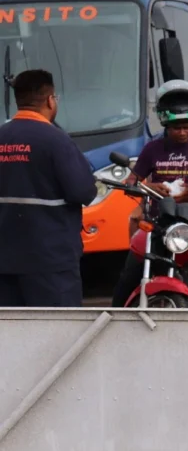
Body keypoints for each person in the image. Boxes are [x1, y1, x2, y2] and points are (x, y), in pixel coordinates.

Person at [112, 83, 188, 308]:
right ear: (165, 124)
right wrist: (152, 186)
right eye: (176, 127)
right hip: (157, 222)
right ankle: (112, 321)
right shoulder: (152, 149)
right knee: (128, 276)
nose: (182, 132)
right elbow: (133, 181)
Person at [0, 69, 97, 307]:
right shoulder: (56, 140)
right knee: (59, 333)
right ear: (50, 100)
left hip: (4, 259)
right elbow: (84, 192)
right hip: (50, 261)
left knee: (10, 333)